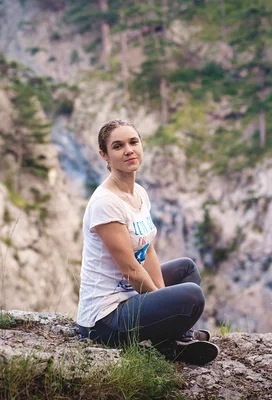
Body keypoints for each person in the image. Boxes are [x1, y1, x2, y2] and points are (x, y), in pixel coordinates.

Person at [76, 119, 219, 365]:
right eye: (118, 146)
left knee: (186, 268)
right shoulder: (105, 203)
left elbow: (147, 249)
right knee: (191, 296)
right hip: (106, 318)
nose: (129, 150)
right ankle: (176, 340)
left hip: (131, 298)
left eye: (133, 142)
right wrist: (165, 303)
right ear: (105, 155)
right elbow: (131, 270)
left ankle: (172, 340)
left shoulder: (138, 193)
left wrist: (163, 299)